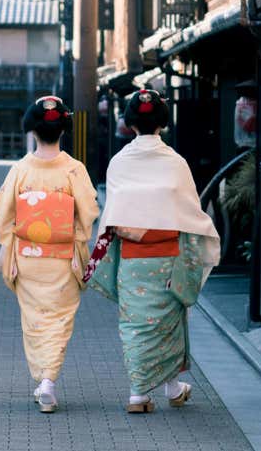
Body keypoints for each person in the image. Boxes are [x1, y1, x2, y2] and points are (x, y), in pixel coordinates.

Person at [85, 89, 220, 414]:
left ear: (130, 124)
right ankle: (171, 388)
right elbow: (191, 212)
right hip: (169, 257)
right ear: (162, 122)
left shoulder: (119, 163)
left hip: (133, 260)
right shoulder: (175, 163)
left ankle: (139, 394)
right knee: (171, 322)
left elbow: (113, 214)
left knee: (135, 324)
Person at [0, 96, 99, 413]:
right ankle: (48, 381)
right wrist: (75, 236)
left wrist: (14, 239)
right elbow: (89, 211)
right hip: (62, 256)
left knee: (34, 319)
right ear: (63, 130)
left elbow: (5, 215)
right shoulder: (73, 169)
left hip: (28, 256)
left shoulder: (21, 169)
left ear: (33, 131)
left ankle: (43, 379)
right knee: (59, 319)